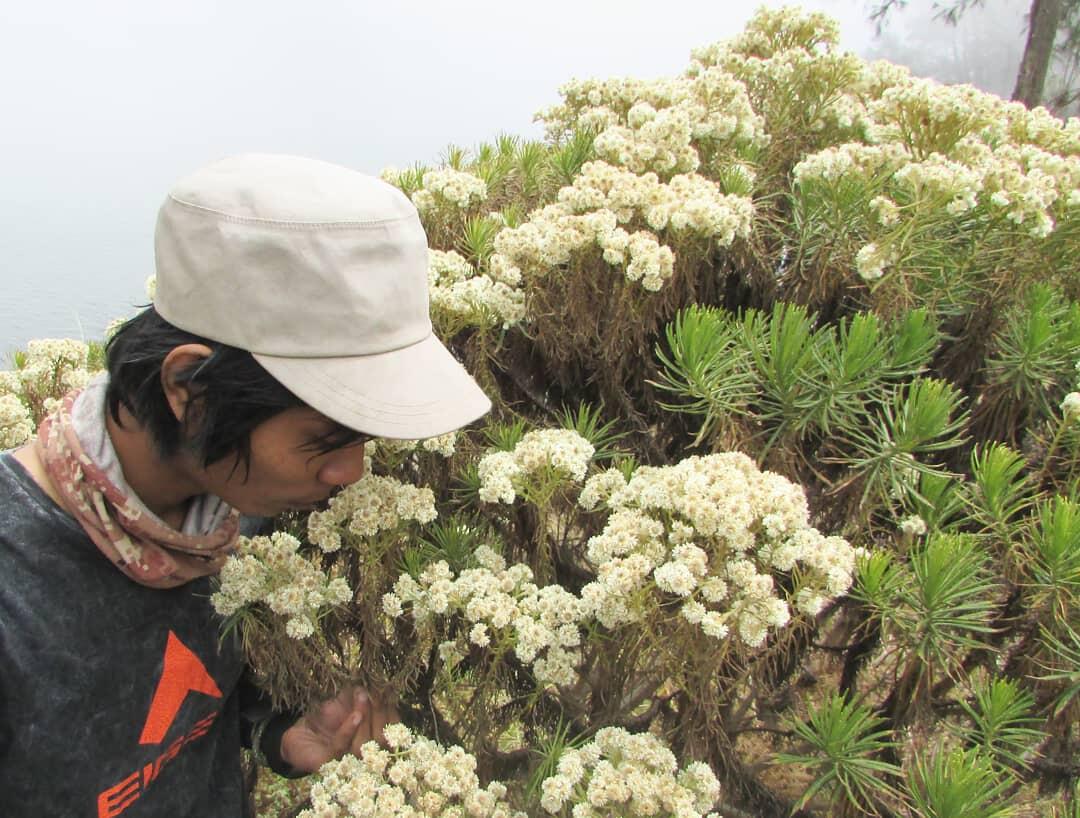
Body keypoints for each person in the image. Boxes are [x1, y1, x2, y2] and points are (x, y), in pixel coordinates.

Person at [0, 154, 492, 817]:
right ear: (187, 391)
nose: (350, 472)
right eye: (328, 435)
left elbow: (198, 710)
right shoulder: (19, 591)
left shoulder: (237, 508)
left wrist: (281, 735)